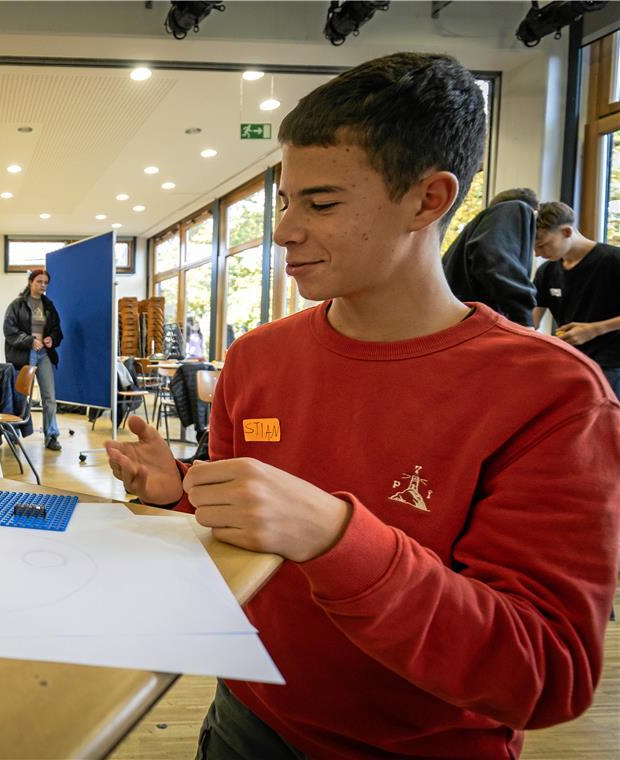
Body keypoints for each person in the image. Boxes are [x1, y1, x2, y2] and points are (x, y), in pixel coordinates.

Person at [105, 53, 619, 760]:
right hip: (246, 718)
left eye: (321, 204)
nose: (284, 231)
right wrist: (178, 499)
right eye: (285, 202)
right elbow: (249, 541)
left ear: (428, 200)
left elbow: (545, 673)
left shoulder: (553, 394)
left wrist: (338, 536)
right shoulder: (257, 358)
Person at [533, 200, 620, 397]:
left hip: (612, 365)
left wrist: (595, 329)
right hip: (571, 361)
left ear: (566, 232)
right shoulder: (547, 271)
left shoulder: (613, 261)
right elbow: (532, 320)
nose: (538, 254)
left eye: (542, 245)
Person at [441, 187, 539, 326]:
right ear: (533, 213)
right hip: (474, 323)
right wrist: (523, 317)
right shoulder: (515, 207)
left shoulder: (473, 229)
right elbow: (492, 258)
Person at [3, 269, 64, 451]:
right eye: (39, 281)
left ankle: (52, 436)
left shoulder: (48, 305)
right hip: (24, 355)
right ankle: (14, 433)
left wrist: (51, 338)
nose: (42, 285)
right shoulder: (17, 305)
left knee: (49, 397)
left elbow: (57, 330)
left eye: (45, 282)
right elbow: (9, 330)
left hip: (44, 354)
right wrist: (30, 341)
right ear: (31, 282)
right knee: (20, 396)